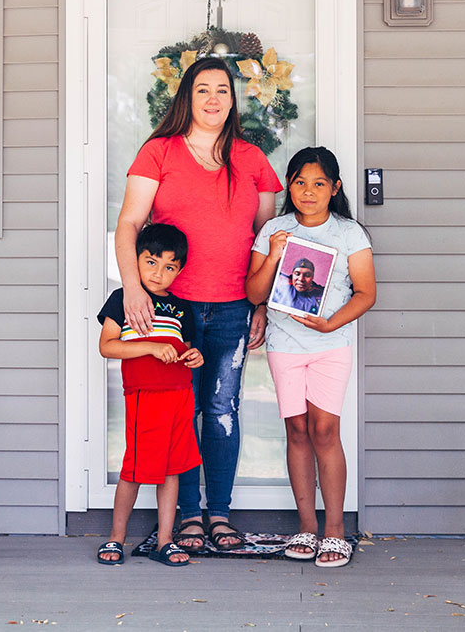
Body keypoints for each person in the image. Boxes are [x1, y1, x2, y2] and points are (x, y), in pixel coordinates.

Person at [114, 56, 282, 551]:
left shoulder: (252, 159)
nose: (213, 98)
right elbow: (129, 224)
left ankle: (220, 515)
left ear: (233, 100)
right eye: (203, 89)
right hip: (174, 310)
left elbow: (266, 240)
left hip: (233, 306)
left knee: (223, 409)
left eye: (223, 90)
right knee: (179, 412)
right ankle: (188, 516)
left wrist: (262, 305)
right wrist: (133, 287)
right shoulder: (159, 152)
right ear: (187, 97)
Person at [246, 147, 376, 567]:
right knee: (297, 430)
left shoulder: (349, 233)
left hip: (330, 345)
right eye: (300, 182)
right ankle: (306, 527)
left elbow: (366, 293)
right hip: (284, 344)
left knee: (325, 431)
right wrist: (274, 254)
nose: (308, 191)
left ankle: (334, 531)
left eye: (319, 183)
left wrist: (331, 324)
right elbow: (254, 292)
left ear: (335, 188)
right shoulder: (275, 229)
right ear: (289, 185)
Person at [96, 223, 204, 567]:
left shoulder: (182, 308)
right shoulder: (124, 299)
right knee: (134, 470)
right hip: (146, 396)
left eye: (170, 267)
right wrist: (151, 347)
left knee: (172, 471)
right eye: (152, 262)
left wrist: (194, 356)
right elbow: (108, 346)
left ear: (180, 271)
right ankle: (116, 537)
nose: (159, 273)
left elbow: (186, 349)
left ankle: (165, 540)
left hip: (180, 396)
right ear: (137, 260)